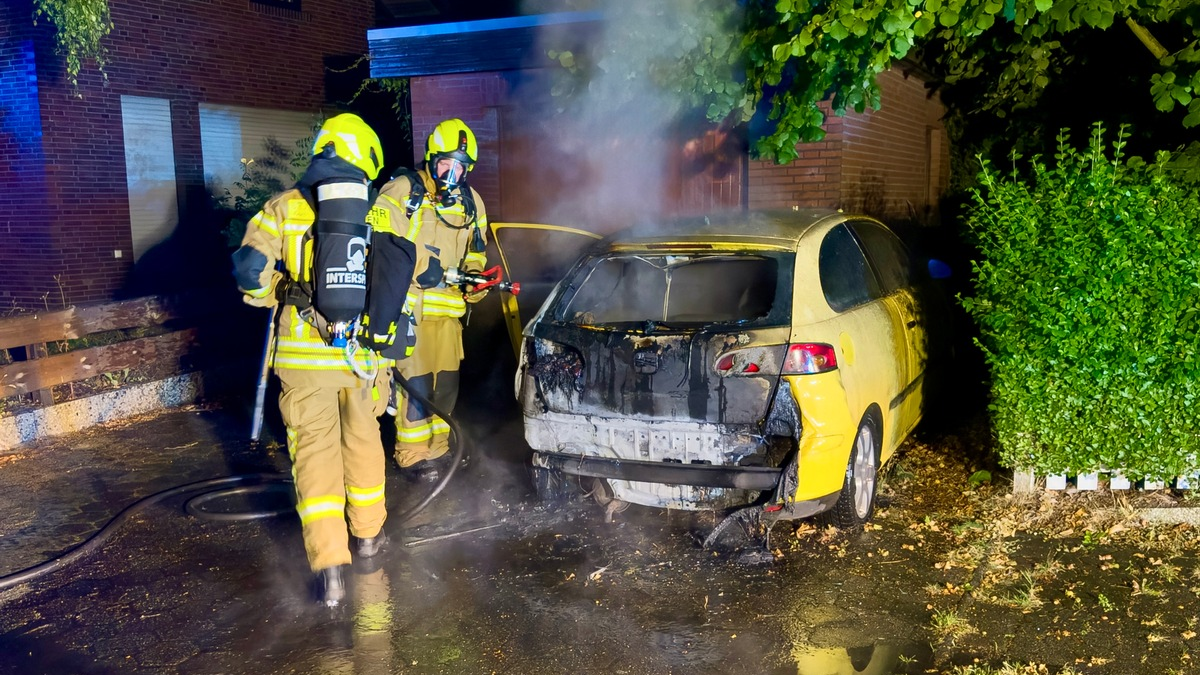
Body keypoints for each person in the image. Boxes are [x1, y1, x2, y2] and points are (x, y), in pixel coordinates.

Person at [232, 113, 412, 607]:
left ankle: (331, 569)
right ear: (366, 157)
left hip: (303, 361)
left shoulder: (284, 207)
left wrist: (279, 292)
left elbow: (249, 271)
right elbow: (401, 281)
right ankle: (371, 539)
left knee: (315, 457)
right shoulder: (382, 210)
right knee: (364, 444)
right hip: (362, 362)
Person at [376, 118, 490, 484]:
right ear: (431, 158)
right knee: (417, 387)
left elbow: (477, 251)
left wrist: (476, 280)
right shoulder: (403, 191)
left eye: (461, 166)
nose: (452, 173)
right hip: (411, 313)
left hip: (449, 317)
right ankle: (411, 455)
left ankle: (439, 450)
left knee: (446, 388)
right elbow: (378, 246)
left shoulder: (472, 203)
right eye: (446, 163)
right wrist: (417, 270)